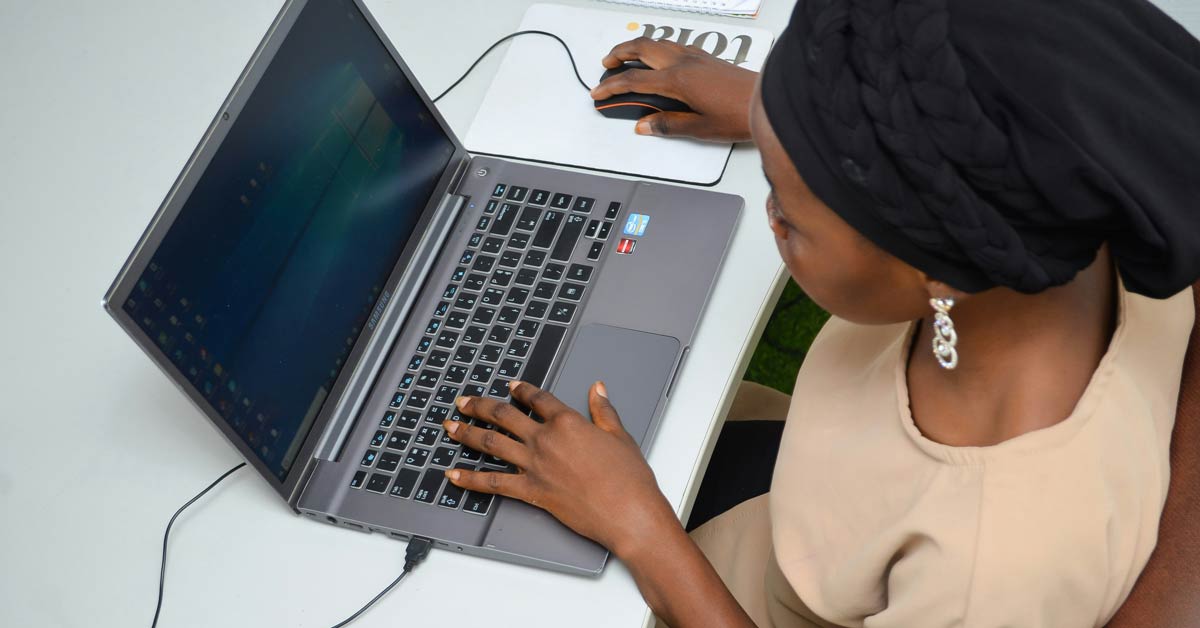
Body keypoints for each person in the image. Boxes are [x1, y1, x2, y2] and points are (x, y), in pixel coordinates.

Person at [440, 0, 1200, 625]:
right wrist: (804, 115)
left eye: (789, 212)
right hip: (794, 512)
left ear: (935, 264)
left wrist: (639, 529)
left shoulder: (990, 567)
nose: (770, 218)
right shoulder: (1071, 211)